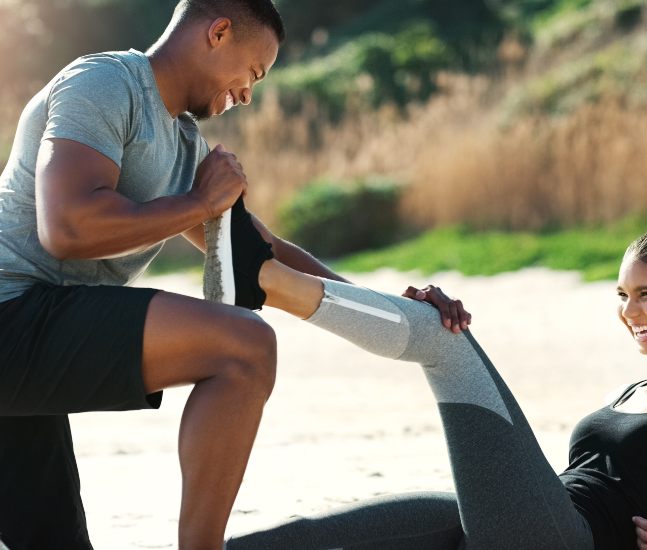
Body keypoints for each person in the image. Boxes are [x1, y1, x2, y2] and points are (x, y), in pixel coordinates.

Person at [0, 1, 468, 548]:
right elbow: (70, 226)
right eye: (253, 73)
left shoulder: (182, 145)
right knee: (242, 348)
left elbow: (261, 256)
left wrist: (400, 312)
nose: (248, 93)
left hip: (33, 342)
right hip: (12, 314)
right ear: (218, 32)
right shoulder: (105, 83)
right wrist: (201, 201)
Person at [205, 208, 647, 549]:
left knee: (444, 338)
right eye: (623, 295)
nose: (630, 311)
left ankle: (260, 276)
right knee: (330, 536)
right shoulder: (631, 392)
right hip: (529, 520)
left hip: (567, 538)